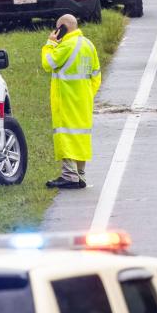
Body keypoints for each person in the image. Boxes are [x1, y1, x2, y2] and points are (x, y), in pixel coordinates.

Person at [41, 14, 101, 189]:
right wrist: (87, 94)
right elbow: (96, 76)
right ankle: (80, 174)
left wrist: (50, 44)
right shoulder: (88, 44)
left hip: (66, 99)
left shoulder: (67, 45)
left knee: (66, 135)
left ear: (62, 29)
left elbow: (47, 63)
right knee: (80, 137)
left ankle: (69, 176)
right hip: (84, 100)